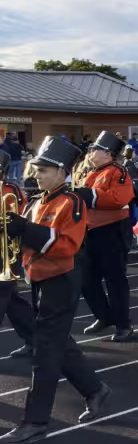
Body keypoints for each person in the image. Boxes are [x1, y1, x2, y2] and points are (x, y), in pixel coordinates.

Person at [0, 137, 111, 444]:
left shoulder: (72, 202)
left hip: (61, 279)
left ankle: (35, 421)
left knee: (45, 352)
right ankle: (94, 389)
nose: (37, 175)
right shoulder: (38, 202)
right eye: (36, 169)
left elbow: (66, 246)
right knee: (58, 344)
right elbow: (28, 242)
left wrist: (25, 229)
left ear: (63, 171)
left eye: (44, 170)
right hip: (39, 279)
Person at [72, 131, 135, 341]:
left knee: (114, 280)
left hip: (112, 230)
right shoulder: (93, 172)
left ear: (108, 153)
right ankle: (104, 316)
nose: (90, 152)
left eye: (95, 149)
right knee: (86, 280)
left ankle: (123, 325)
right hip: (91, 231)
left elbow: (121, 198)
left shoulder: (118, 171)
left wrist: (90, 195)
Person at [0, 150, 35, 359]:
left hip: (4, 253)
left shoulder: (9, 190)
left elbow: (15, 221)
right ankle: (36, 339)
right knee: (13, 304)